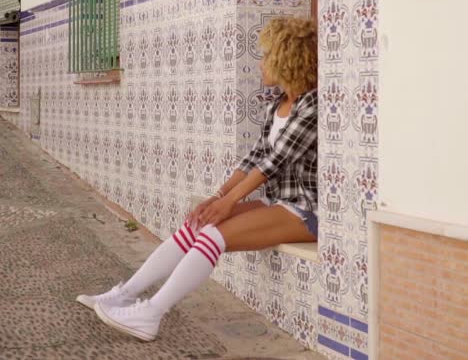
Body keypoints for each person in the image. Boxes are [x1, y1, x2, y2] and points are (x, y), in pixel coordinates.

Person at [76, 17, 318, 342]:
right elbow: (254, 158)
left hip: (307, 212)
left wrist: (229, 204)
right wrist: (218, 197)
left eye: (265, 55)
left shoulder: (312, 106)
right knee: (197, 224)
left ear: (284, 59)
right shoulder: (279, 104)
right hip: (280, 204)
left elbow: (273, 164)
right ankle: (126, 294)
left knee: (214, 235)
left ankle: (151, 314)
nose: (260, 63)